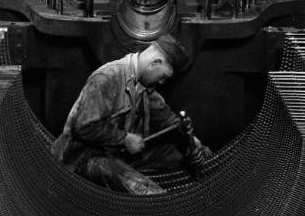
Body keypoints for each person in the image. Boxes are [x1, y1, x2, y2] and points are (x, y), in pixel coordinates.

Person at [51, 34, 208, 195]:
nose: (162, 82)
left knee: (186, 152)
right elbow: (84, 127)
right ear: (155, 62)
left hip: (119, 155)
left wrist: (191, 141)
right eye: (164, 77)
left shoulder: (145, 85)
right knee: (149, 194)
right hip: (83, 159)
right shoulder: (107, 78)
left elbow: (167, 119)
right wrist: (124, 138)